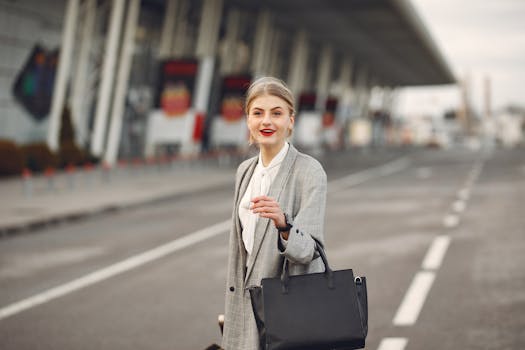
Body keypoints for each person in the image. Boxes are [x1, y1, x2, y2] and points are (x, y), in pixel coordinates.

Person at [222, 77, 328, 350]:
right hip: (246, 307)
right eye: (258, 113)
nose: (266, 121)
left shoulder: (309, 171)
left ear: (291, 121)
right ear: (248, 120)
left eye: (277, 113)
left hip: (290, 307)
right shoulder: (244, 172)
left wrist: (284, 224)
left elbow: (309, 250)